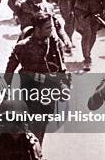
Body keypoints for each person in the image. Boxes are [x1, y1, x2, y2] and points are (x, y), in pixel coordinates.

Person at [5, 12, 69, 143]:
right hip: (31, 90)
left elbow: (61, 66)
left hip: (49, 90)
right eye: (48, 28)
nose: (51, 30)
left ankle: (35, 147)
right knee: (35, 122)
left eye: (51, 27)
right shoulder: (23, 46)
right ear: (37, 29)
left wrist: (64, 85)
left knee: (43, 121)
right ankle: (35, 152)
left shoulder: (54, 44)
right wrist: (4, 89)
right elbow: (10, 69)